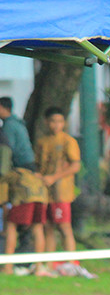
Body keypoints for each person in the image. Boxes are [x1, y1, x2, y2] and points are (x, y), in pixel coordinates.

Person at [34, 107, 86, 276]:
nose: (56, 125)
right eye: (52, 121)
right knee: (48, 227)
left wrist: (54, 177)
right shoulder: (42, 141)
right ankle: (49, 264)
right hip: (45, 192)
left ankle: (71, 262)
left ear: (64, 123)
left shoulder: (68, 141)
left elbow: (75, 165)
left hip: (61, 192)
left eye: (59, 121)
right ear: (46, 122)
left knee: (64, 227)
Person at [1, 96, 48, 277]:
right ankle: (38, 267)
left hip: (23, 184)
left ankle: (7, 267)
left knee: (12, 225)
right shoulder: (19, 123)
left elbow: (7, 155)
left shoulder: (8, 127)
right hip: (37, 186)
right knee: (37, 227)